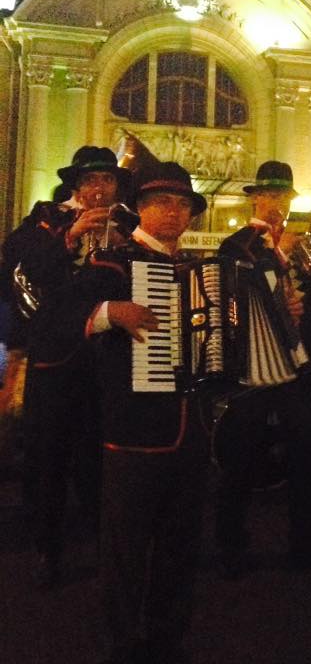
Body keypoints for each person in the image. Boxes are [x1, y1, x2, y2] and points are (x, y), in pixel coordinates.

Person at [67, 162, 208, 664]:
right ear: (142, 211)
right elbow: (60, 321)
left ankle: (168, 637)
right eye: (162, 203)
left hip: (192, 431)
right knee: (124, 551)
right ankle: (121, 644)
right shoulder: (112, 264)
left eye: (183, 204)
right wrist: (109, 314)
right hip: (132, 430)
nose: (174, 212)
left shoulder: (201, 272)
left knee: (180, 545)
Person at [0, 145, 132, 588]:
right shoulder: (46, 218)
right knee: (47, 458)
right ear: (76, 185)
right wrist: (71, 236)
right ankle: (46, 547)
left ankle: (103, 547)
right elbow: (19, 265)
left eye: (108, 180)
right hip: (54, 361)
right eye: (91, 180)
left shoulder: (126, 227)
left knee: (99, 459)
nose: (100, 187)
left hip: (104, 362)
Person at [215, 160, 311, 576]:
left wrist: (297, 305)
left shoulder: (295, 246)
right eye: (269, 196)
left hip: (290, 365)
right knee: (238, 462)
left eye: (284, 197)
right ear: (255, 199)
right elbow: (230, 295)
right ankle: (231, 547)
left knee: (303, 458)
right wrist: (277, 249)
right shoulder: (237, 244)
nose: (278, 205)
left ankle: (305, 545)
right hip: (251, 369)